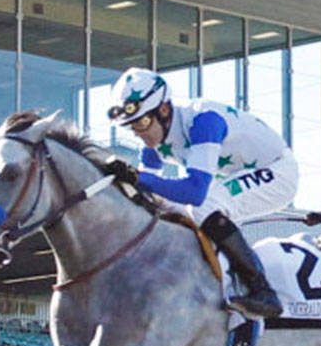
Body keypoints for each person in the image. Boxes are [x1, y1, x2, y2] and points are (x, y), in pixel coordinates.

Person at [104, 67, 297, 318]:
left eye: (141, 122)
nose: (139, 134)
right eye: (131, 127)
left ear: (163, 110)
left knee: (203, 205)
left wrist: (139, 178)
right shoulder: (150, 143)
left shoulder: (203, 122)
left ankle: (263, 290)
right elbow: (147, 199)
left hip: (277, 171)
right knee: (171, 209)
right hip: (232, 176)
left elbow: (194, 192)